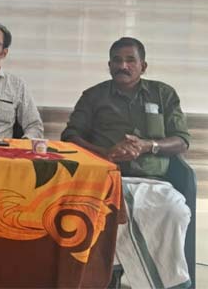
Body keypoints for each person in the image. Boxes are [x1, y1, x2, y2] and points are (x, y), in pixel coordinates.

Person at [61, 37, 191, 288]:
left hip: (154, 182)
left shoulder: (163, 94)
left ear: (143, 66)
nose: (123, 66)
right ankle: (108, 278)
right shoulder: (93, 96)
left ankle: (162, 281)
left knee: (173, 212)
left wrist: (148, 145)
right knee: (94, 213)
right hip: (104, 180)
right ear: (109, 65)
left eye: (130, 60)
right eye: (117, 60)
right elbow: (70, 136)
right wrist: (105, 154)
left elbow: (182, 140)